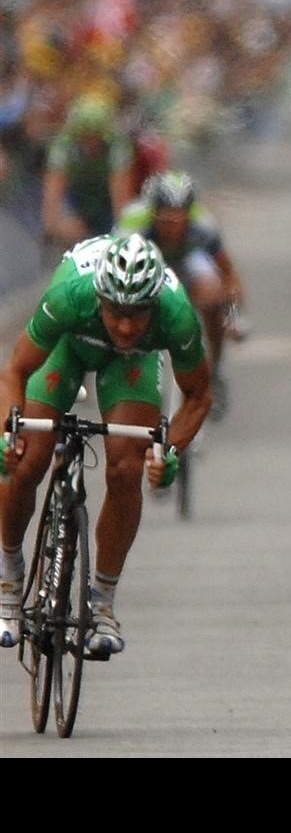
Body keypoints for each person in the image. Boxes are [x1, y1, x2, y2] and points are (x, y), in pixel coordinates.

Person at [1, 234, 210, 654]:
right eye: (116, 312)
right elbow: (15, 372)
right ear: (100, 297)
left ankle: (103, 605)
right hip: (67, 346)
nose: (127, 326)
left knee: (126, 467)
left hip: (130, 364)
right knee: (28, 458)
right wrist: (8, 431)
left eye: (138, 314)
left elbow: (199, 396)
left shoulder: (177, 316)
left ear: (155, 304)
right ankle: (9, 580)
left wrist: (169, 452)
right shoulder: (69, 298)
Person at [113, 171, 246, 412]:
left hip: (187, 262)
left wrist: (234, 316)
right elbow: (115, 275)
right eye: (166, 217)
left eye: (180, 216)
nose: (173, 224)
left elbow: (228, 273)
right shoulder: (132, 226)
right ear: (153, 212)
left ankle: (213, 371)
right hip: (144, 263)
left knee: (211, 294)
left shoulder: (203, 225)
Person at [40, 93, 136, 254]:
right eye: (85, 137)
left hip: (105, 200)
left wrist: (124, 233)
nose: (90, 142)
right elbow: (53, 190)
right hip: (78, 199)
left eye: (95, 137)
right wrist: (50, 227)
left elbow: (120, 192)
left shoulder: (118, 146)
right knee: (69, 231)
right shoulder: (63, 146)